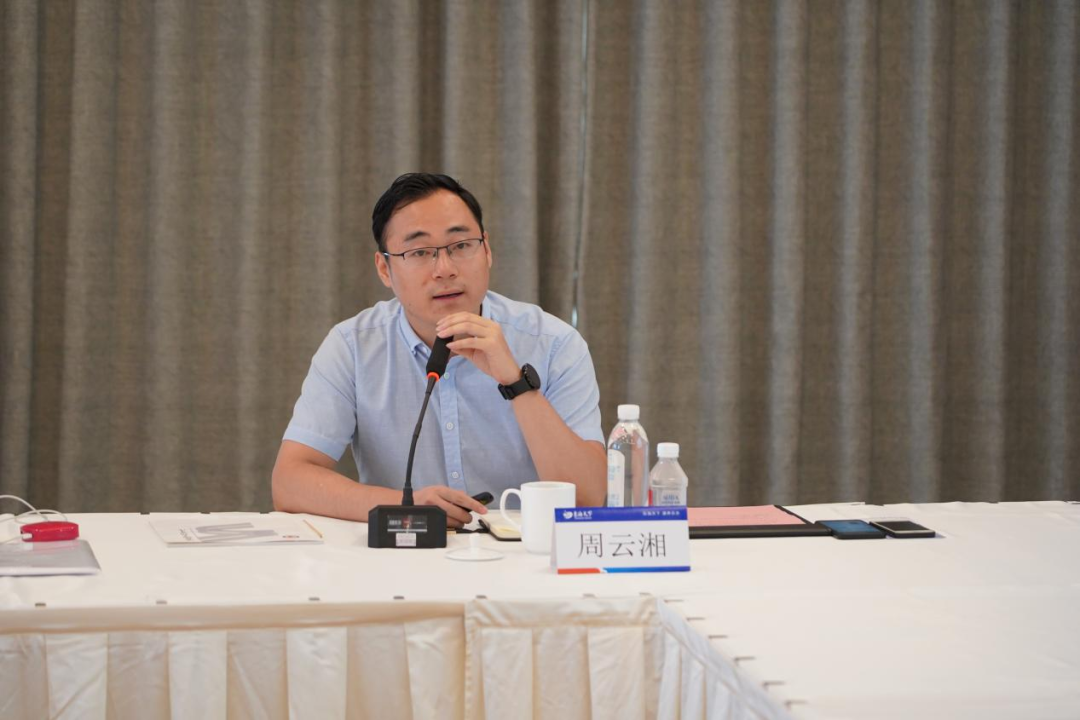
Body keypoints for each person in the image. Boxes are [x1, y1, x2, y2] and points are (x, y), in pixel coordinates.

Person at [272, 173, 606, 527]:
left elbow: (587, 497)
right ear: (384, 269)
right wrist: (407, 506)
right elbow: (290, 483)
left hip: (524, 552)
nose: (445, 269)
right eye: (419, 252)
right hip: (404, 552)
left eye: (461, 246)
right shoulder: (353, 347)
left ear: (487, 250)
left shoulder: (554, 343)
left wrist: (516, 382)